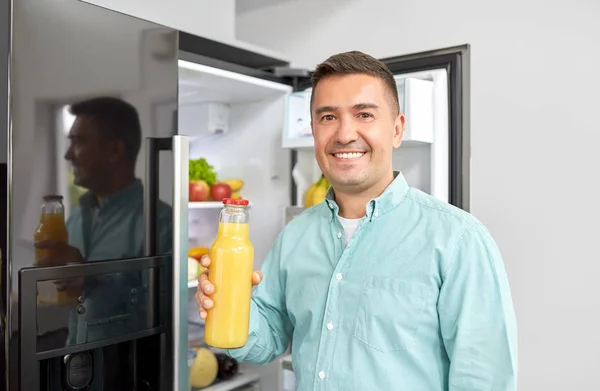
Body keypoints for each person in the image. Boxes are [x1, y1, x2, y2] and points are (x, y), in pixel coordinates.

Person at [196, 51, 518, 390]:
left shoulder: (459, 240)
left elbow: (485, 379)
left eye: (364, 114)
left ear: (396, 130)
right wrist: (229, 307)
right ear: (314, 132)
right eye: (328, 117)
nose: (345, 134)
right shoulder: (296, 235)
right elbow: (268, 339)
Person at [35, 96, 172, 346]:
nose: (68, 155)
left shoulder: (162, 222)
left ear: (113, 150)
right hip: (76, 363)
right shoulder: (77, 216)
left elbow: (166, 313)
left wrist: (90, 278)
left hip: (130, 374)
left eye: (78, 142)